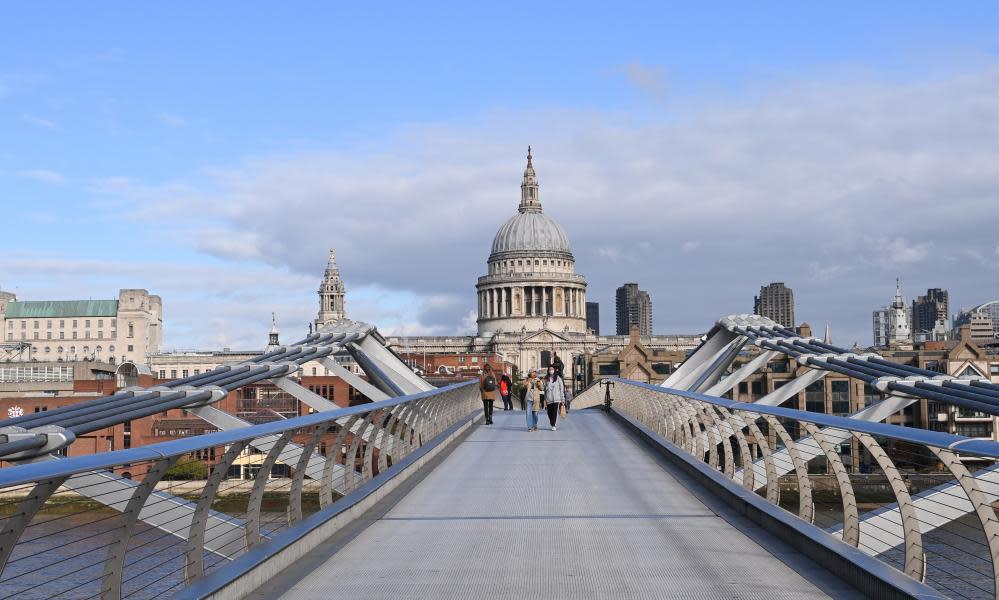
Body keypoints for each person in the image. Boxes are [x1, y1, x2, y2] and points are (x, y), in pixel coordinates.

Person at [543, 366, 565, 431]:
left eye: (552, 369)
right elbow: (544, 389)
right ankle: (552, 422)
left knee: (555, 412)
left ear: (554, 370)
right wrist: (544, 399)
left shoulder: (558, 378)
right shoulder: (546, 379)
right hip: (548, 398)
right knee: (549, 412)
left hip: (556, 398)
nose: (551, 370)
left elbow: (561, 389)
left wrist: (562, 398)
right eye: (550, 369)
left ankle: (553, 425)